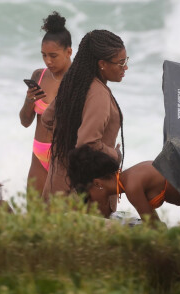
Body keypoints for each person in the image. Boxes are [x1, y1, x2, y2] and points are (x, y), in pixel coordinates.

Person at [41, 29, 127, 204]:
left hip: (55, 187)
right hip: (82, 196)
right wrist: (114, 155)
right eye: (121, 62)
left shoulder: (73, 85)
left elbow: (47, 119)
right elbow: (87, 143)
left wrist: (68, 137)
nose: (125, 67)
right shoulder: (99, 94)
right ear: (102, 64)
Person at [19, 11, 72, 195]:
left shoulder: (78, 80)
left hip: (64, 156)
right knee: (35, 214)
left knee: (59, 216)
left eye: (53, 55)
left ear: (69, 52)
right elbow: (25, 122)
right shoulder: (39, 75)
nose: (48, 61)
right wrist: (28, 101)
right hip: (38, 153)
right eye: (43, 55)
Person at [67, 145, 180, 221]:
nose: (91, 201)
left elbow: (155, 229)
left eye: (88, 197)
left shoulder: (132, 187)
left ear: (98, 184)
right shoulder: (132, 175)